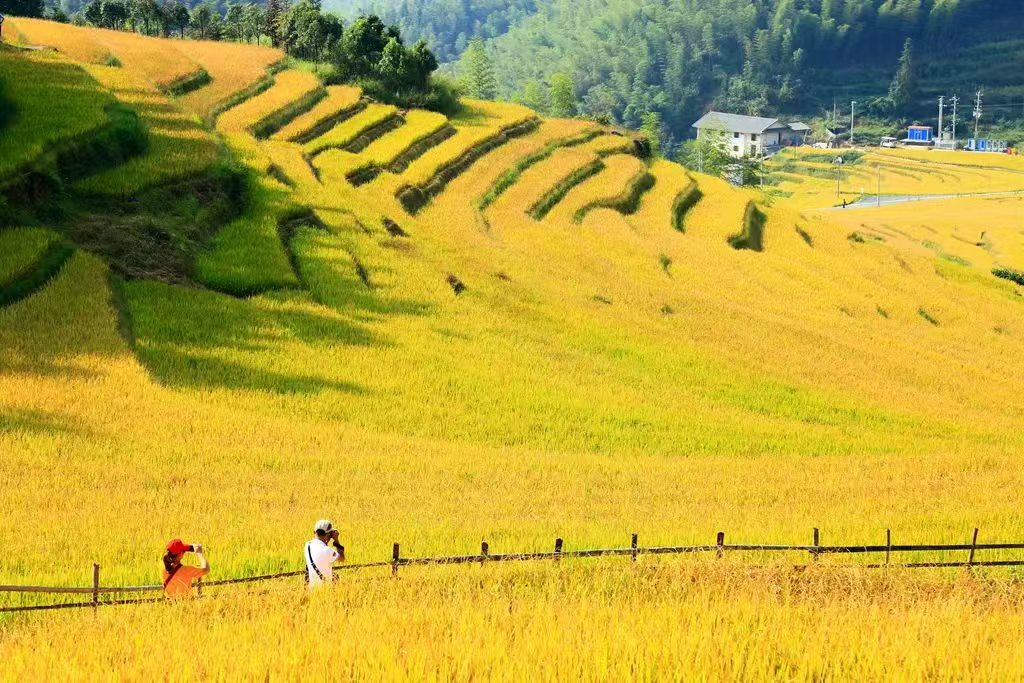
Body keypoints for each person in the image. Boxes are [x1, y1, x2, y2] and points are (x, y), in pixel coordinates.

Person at [305, 519, 345, 588]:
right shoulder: (327, 550)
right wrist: (336, 540)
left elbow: (320, 547)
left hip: (312, 589)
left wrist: (328, 537)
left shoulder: (307, 545)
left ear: (314, 532)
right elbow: (342, 558)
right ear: (329, 534)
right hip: (325, 590)